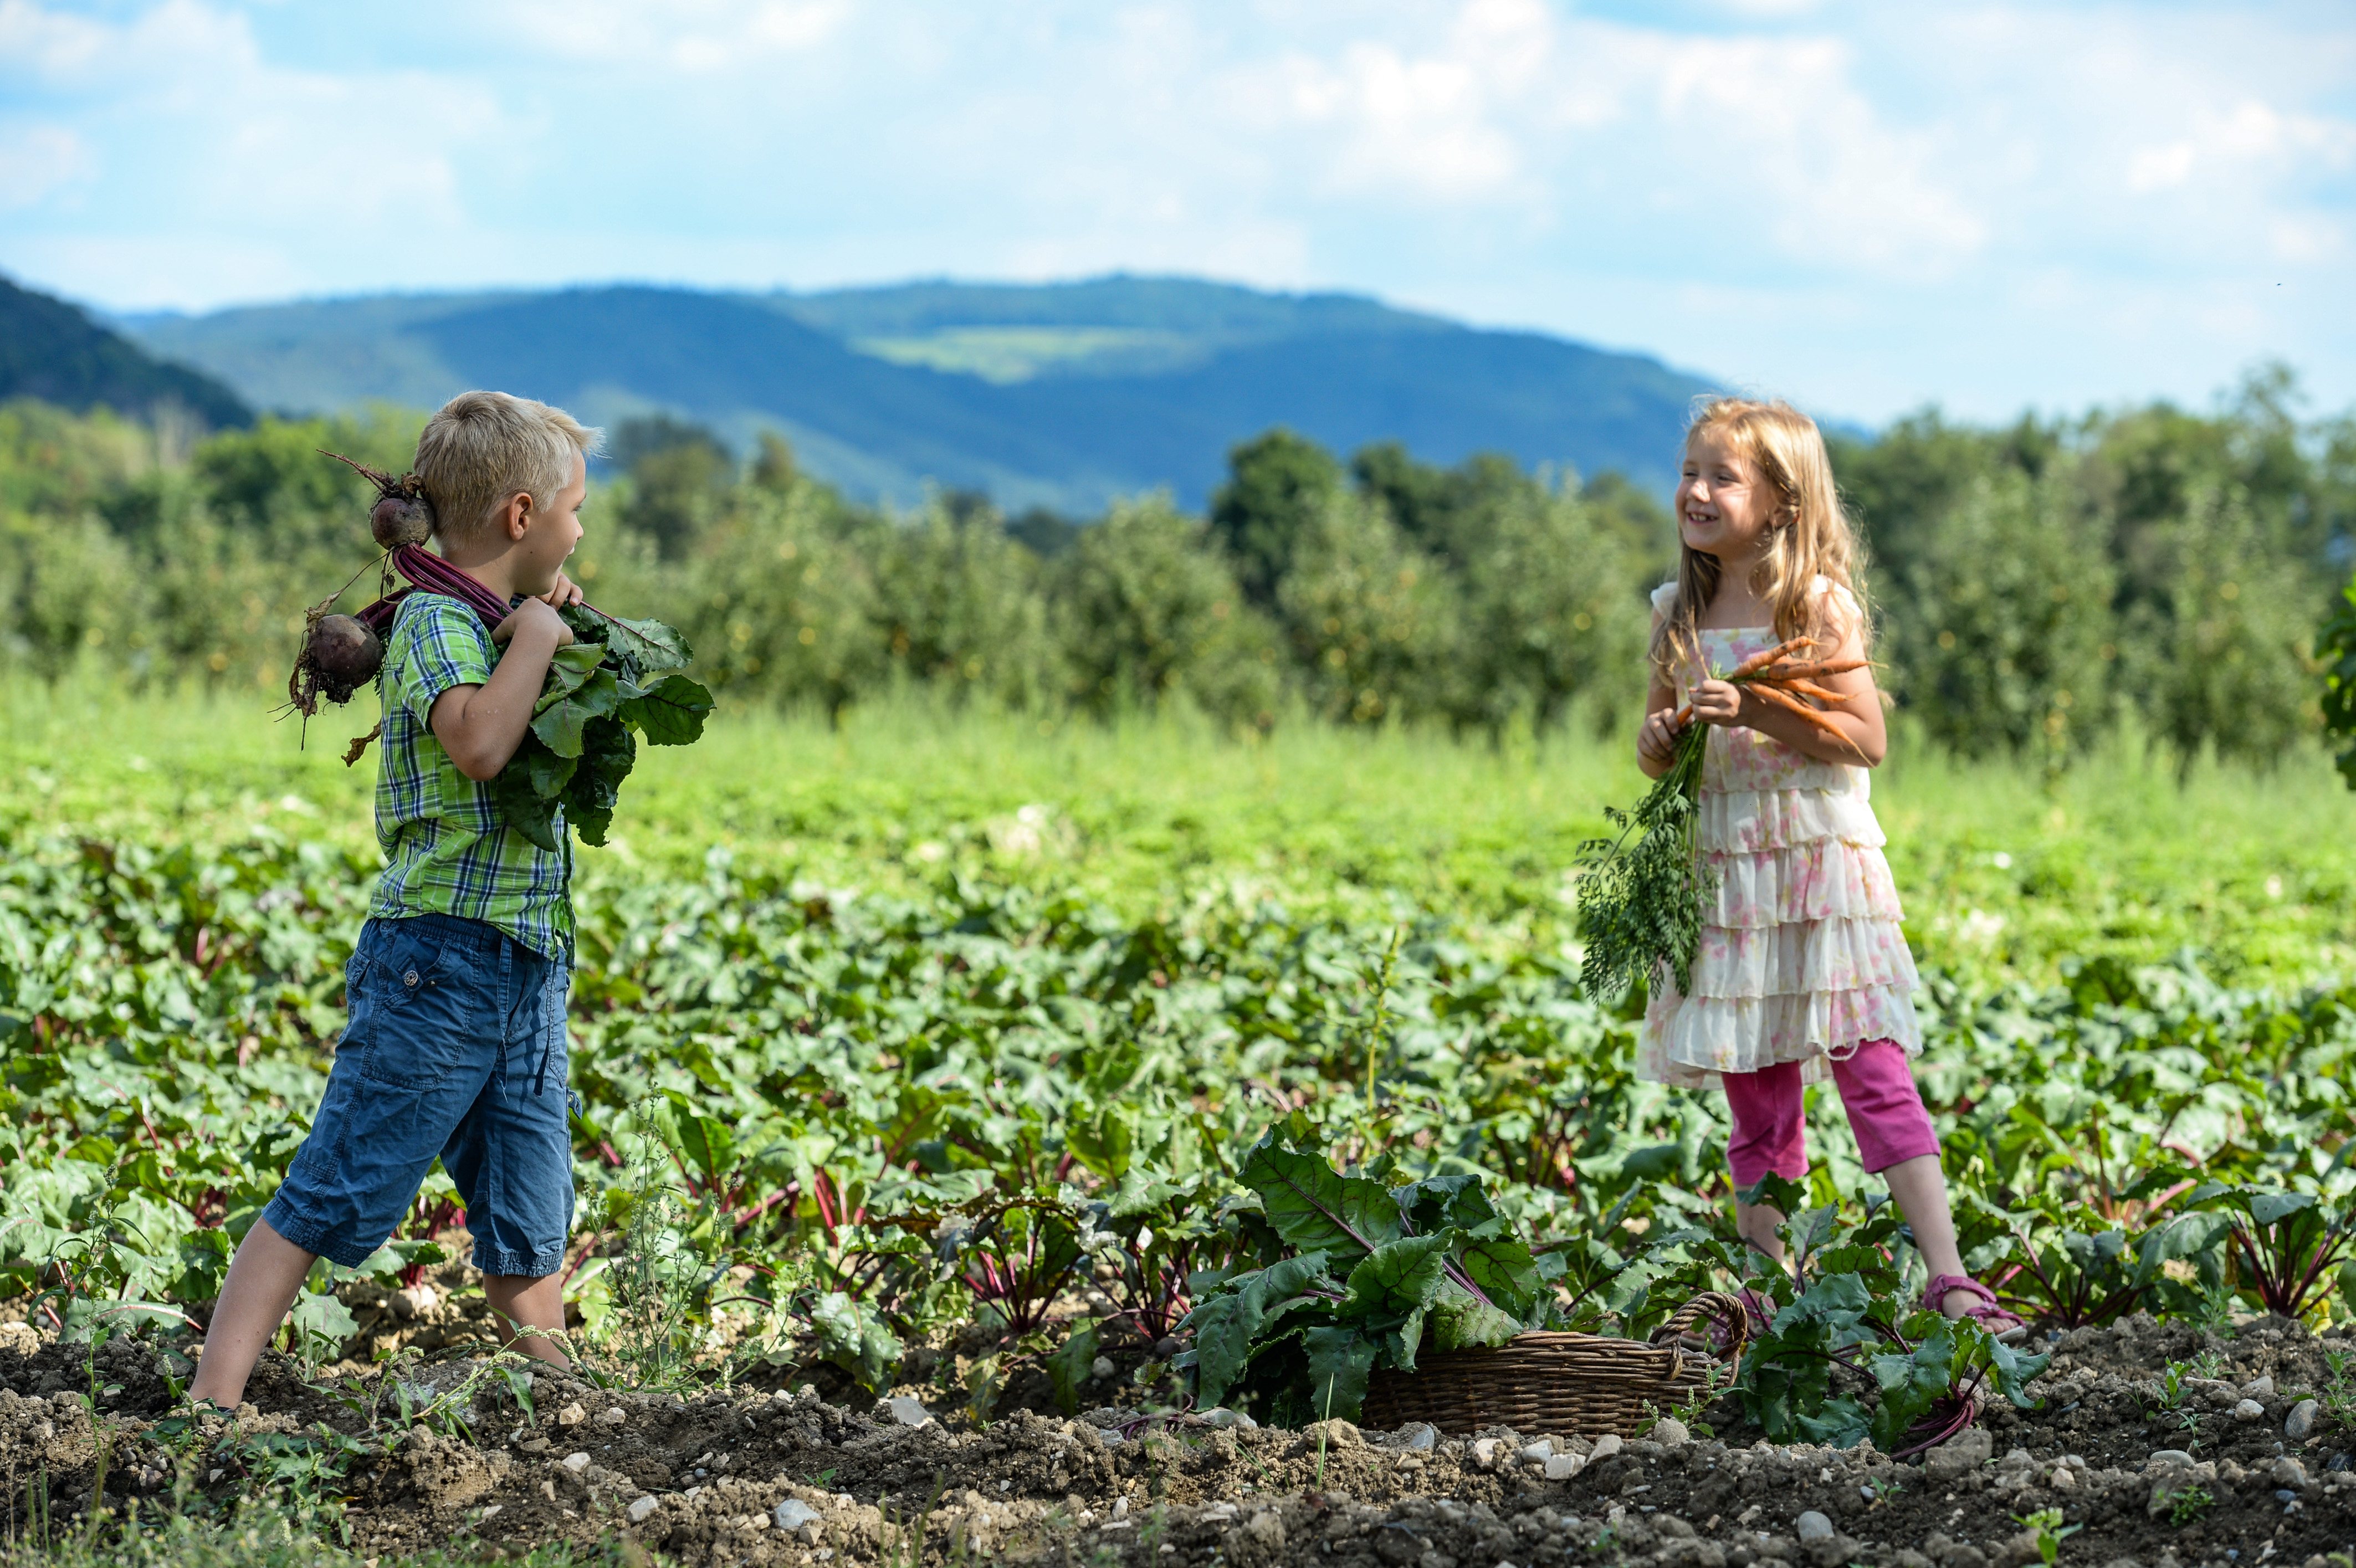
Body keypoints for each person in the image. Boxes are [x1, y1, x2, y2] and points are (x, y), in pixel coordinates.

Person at [189, 391, 600, 1407]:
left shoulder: (498, 623)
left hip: (525, 962)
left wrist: (546, 631)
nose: (581, 533)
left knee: (526, 1202)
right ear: (521, 516)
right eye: (575, 512)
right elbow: (479, 743)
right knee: (337, 1180)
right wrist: (537, 639)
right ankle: (211, 1405)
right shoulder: (434, 623)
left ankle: (567, 1400)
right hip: (439, 964)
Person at [1634, 395, 2023, 1340]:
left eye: (1722, 477)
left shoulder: (1813, 604)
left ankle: (1950, 1275)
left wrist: (1759, 709)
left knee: (1873, 1071)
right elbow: (1655, 743)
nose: (1695, 491)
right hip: (1729, 873)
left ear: (1782, 501)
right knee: (1757, 1093)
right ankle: (1767, 1295)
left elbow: (1864, 738)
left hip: (1817, 866)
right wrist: (1658, 741)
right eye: (1689, 472)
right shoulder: (1678, 611)